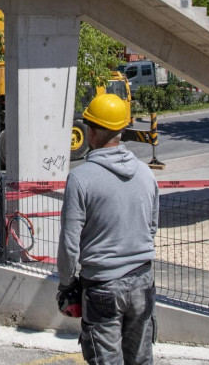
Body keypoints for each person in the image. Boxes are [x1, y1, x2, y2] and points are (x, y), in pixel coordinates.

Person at [57, 93, 159, 365]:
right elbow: (151, 228)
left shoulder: (80, 178)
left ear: (90, 130)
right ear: (122, 129)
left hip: (102, 286)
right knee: (141, 359)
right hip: (143, 281)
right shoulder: (146, 173)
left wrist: (67, 284)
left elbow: (69, 243)